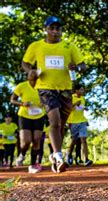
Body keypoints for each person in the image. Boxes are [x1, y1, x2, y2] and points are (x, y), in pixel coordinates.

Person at [22, 16, 86, 173]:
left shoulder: (69, 47)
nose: (55, 31)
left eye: (58, 28)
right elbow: (25, 63)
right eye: (52, 28)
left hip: (65, 90)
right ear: (46, 29)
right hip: (45, 88)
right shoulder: (36, 46)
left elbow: (83, 65)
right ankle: (58, 156)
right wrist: (30, 71)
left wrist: (76, 68)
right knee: (55, 122)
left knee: (61, 126)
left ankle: (53, 156)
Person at [10, 71, 46, 173]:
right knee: (26, 141)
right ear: (28, 76)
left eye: (35, 72)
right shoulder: (22, 86)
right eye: (31, 73)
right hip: (24, 116)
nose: (33, 74)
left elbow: (49, 99)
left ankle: (33, 164)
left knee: (37, 139)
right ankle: (22, 154)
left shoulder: (43, 86)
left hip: (39, 115)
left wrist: (45, 102)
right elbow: (12, 100)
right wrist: (22, 103)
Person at [66, 84, 93, 166]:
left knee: (83, 140)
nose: (83, 91)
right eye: (81, 89)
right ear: (76, 90)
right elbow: (67, 108)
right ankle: (69, 155)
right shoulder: (71, 97)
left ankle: (87, 159)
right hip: (72, 122)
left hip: (82, 121)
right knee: (74, 141)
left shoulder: (83, 98)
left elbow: (80, 107)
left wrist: (84, 108)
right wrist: (74, 104)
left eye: (83, 89)